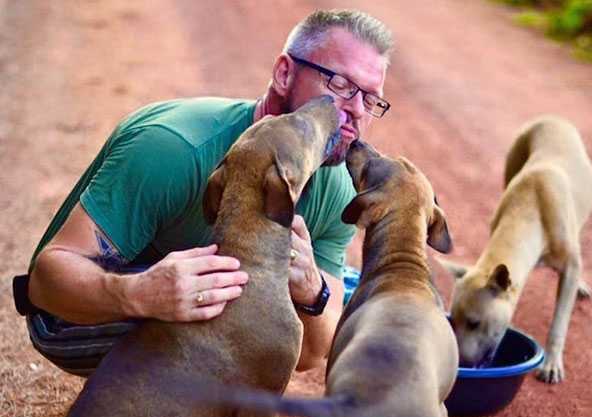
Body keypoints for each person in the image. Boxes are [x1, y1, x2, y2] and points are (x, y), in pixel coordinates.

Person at [14, 10, 393, 379]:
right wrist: (139, 294)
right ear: (284, 73)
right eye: (341, 85)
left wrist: (312, 289)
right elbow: (45, 285)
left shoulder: (336, 186)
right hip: (74, 316)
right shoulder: (174, 148)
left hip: (187, 311)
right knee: (219, 302)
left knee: (345, 294)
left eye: (371, 99)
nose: (356, 110)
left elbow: (310, 353)